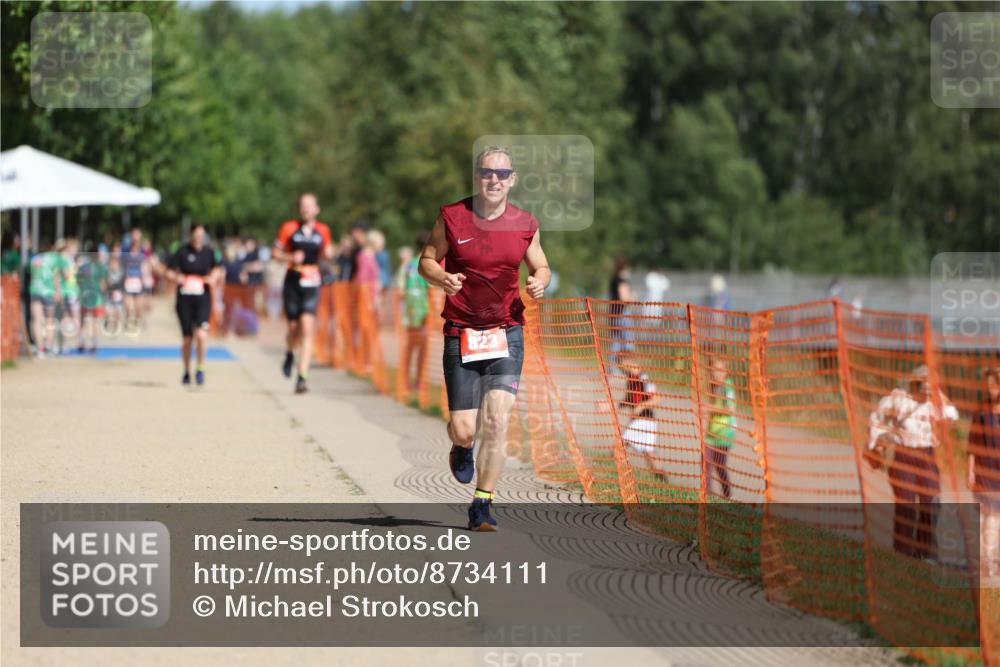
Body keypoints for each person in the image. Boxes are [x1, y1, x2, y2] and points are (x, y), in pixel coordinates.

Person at [418, 145, 551, 531]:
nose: (494, 180)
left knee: (496, 420)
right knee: (465, 429)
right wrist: (442, 277)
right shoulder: (452, 217)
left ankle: (482, 504)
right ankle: (461, 447)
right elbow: (425, 261)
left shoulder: (525, 223)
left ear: (513, 179)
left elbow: (541, 264)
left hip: (506, 332)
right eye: (487, 173)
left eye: (502, 174)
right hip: (461, 332)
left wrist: (539, 281)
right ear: (477, 176)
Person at [866, 365, 958, 559]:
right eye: (926, 383)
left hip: (927, 457)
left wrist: (939, 394)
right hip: (903, 456)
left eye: (933, 385)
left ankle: (925, 554)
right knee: (906, 506)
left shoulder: (936, 404)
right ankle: (903, 554)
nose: (929, 388)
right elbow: (877, 418)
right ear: (917, 383)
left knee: (931, 504)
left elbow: (952, 415)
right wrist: (876, 444)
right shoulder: (900, 399)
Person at [274, 193, 333, 394]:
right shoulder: (289, 228)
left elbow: (326, 253)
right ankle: (289, 353)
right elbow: (276, 253)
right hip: (293, 280)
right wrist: (290, 257)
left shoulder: (323, 230)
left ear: (317, 209)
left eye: (309, 205)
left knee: (307, 328)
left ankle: (302, 377)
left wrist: (329, 254)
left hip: (312, 281)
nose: (305, 209)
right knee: (294, 329)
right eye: (302, 205)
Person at [164, 225, 222, 386]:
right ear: (191, 236)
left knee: (202, 335)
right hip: (185, 300)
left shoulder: (209, 253)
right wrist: (177, 278)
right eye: (196, 235)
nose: (198, 238)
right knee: (187, 339)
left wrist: (213, 277)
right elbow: (168, 271)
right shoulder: (182, 251)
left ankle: (200, 368)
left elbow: (218, 269)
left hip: (203, 299)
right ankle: (186, 371)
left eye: (201, 236)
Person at [968, 367, 1000, 577]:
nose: (990, 390)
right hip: (983, 470)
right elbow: (972, 443)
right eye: (988, 385)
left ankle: (988, 559)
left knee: (994, 517)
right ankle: (986, 560)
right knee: (987, 515)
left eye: (994, 385)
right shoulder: (981, 411)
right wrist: (970, 471)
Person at [618, 358, 664, 481]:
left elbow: (657, 399)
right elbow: (629, 399)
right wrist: (614, 405)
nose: (621, 369)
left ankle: (621, 474)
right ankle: (662, 479)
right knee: (649, 452)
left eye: (622, 365)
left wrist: (642, 406)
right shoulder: (630, 380)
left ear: (631, 362)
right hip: (639, 420)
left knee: (621, 444)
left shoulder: (644, 378)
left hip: (645, 419)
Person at [705, 357, 737, 499]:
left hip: (725, 433)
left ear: (725, 371)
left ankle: (728, 496)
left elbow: (731, 409)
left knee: (720, 465)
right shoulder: (713, 385)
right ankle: (707, 497)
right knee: (705, 462)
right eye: (714, 370)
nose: (716, 373)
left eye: (719, 370)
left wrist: (710, 408)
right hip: (712, 433)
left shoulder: (728, 386)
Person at [401, 235, 430, 392]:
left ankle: (405, 381)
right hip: (424, 311)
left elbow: (405, 286)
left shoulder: (410, 264)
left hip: (410, 311)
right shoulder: (427, 264)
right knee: (422, 350)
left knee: (410, 348)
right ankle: (418, 382)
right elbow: (431, 289)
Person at [28, 241, 62, 358]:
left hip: (35, 291)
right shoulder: (53, 259)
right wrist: (58, 291)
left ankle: (40, 349)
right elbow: (56, 276)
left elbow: (31, 275)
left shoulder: (34, 259)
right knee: (50, 321)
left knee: (37, 320)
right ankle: (49, 346)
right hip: (49, 292)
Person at [77, 247, 110, 354]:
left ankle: (81, 342)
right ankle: (94, 344)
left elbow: (79, 281)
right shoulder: (101, 267)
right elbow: (104, 284)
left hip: (85, 294)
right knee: (96, 321)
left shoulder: (83, 267)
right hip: (97, 295)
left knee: (83, 319)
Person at [57, 239, 82, 353]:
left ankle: (76, 341)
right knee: (69, 317)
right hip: (68, 292)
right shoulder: (66, 260)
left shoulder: (69, 260)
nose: (75, 251)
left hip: (72, 291)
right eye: (73, 248)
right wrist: (76, 268)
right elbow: (66, 276)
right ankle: (71, 342)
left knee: (71, 316)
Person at [121, 229, 149, 329]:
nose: (135, 240)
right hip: (128, 281)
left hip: (139, 282)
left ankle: (139, 322)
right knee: (127, 306)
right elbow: (121, 265)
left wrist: (146, 281)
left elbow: (146, 266)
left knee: (139, 308)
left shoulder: (143, 251)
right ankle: (128, 321)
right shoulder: (125, 250)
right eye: (134, 238)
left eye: (137, 238)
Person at [608, 257, 634, 357]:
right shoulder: (622, 281)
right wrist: (633, 296)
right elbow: (624, 299)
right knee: (627, 342)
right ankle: (626, 363)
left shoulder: (614, 280)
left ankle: (613, 365)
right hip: (622, 314)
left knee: (616, 341)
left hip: (613, 313)